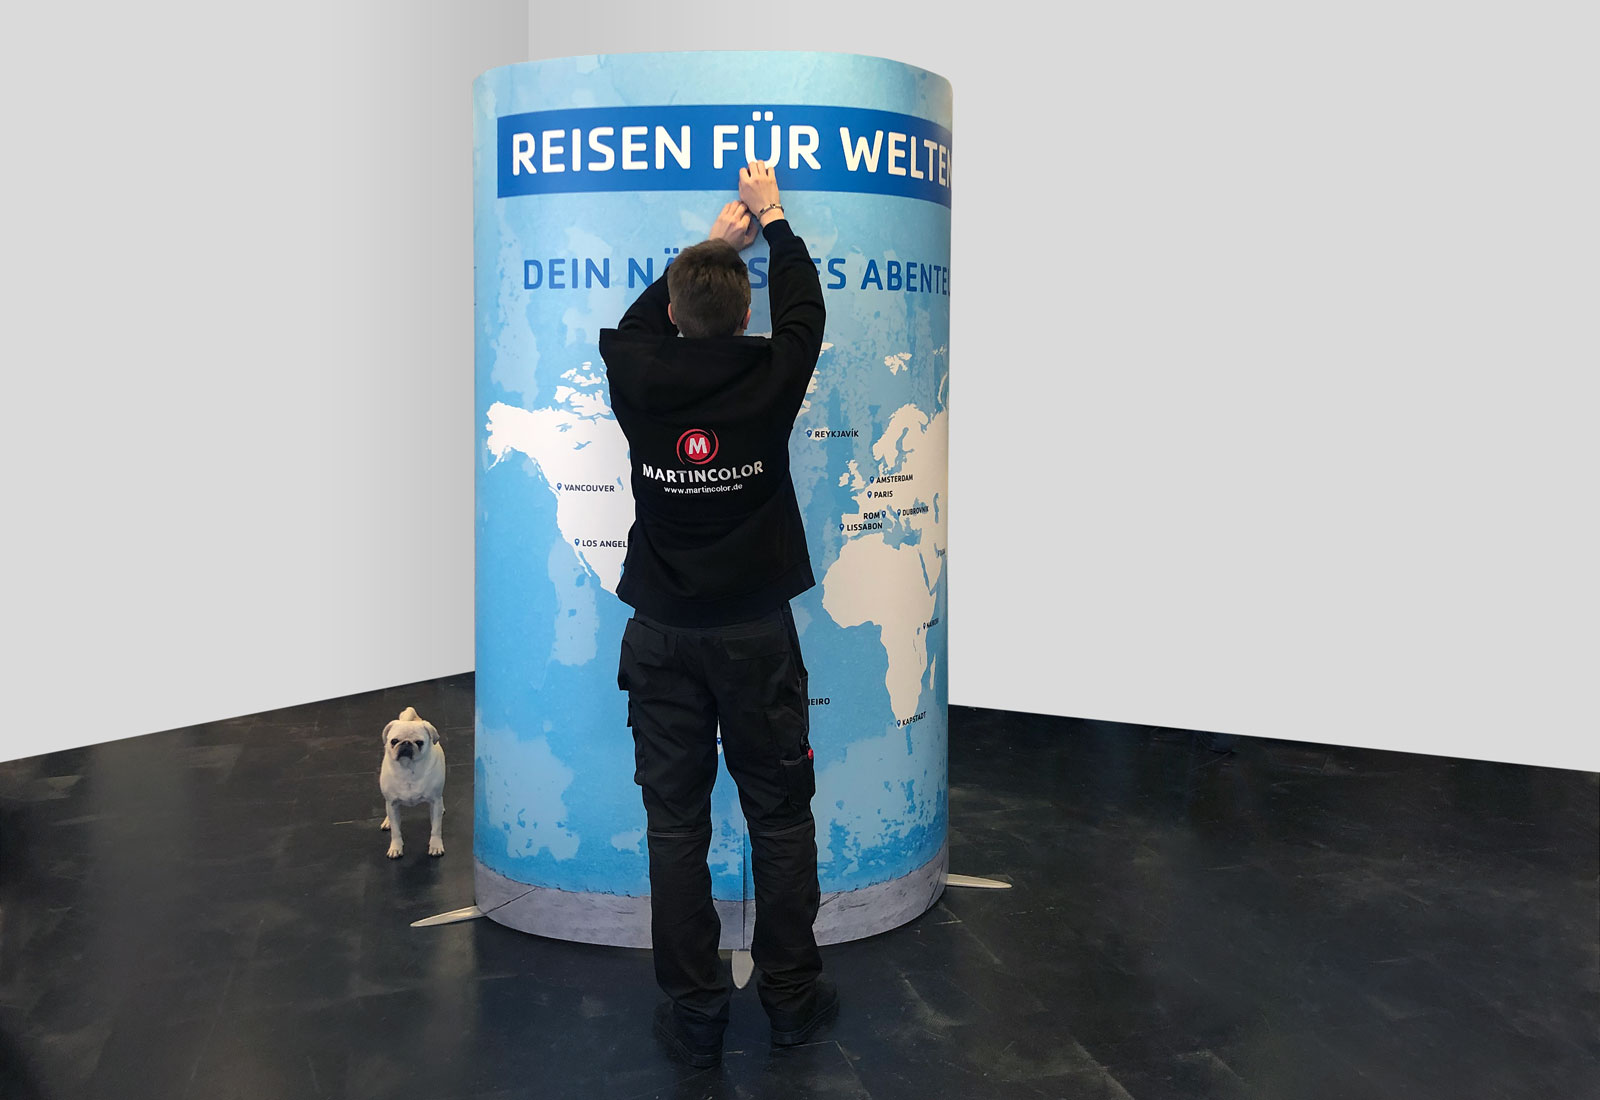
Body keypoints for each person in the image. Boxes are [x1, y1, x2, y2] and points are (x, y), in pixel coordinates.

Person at [598, 160, 836, 1068]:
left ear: (674, 312)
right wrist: (772, 219)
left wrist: (709, 244)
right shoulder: (769, 372)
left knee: (675, 828)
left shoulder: (637, 372)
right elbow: (806, 313)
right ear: (745, 320)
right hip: (754, 639)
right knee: (779, 821)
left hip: (661, 636)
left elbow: (635, 325)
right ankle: (791, 1002)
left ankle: (697, 1013)